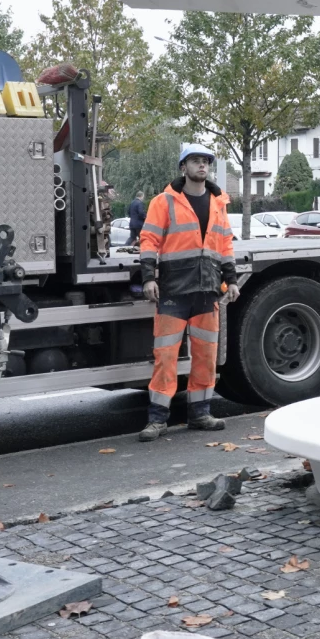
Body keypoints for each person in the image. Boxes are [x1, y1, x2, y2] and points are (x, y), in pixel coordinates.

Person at [136, 143, 238, 440]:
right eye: (195, 161)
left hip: (207, 291)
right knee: (165, 357)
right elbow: (149, 241)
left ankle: (201, 414)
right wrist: (148, 279)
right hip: (173, 291)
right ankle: (157, 419)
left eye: (206, 161)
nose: (202, 166)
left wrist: (230, 281)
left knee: (206, 356)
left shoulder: (218, 202)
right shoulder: (164, 201)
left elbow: (225, 245)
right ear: (184, 167)